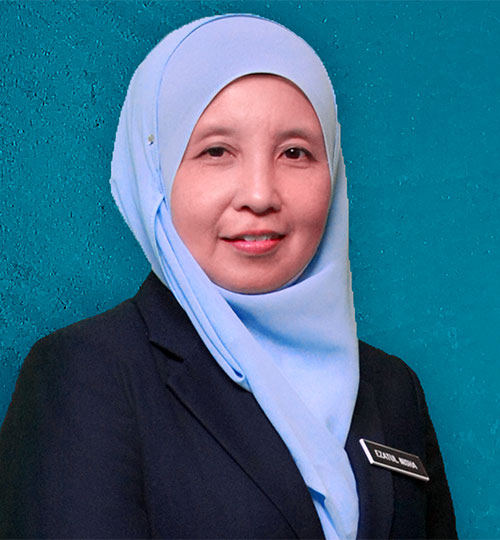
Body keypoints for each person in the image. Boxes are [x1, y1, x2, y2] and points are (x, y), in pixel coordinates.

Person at [0, 14, 456, 539]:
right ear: (156, 174)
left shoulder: (392, 389)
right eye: (216, 151)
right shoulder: (86, 374)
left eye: (295, 152)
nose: (260, 195)